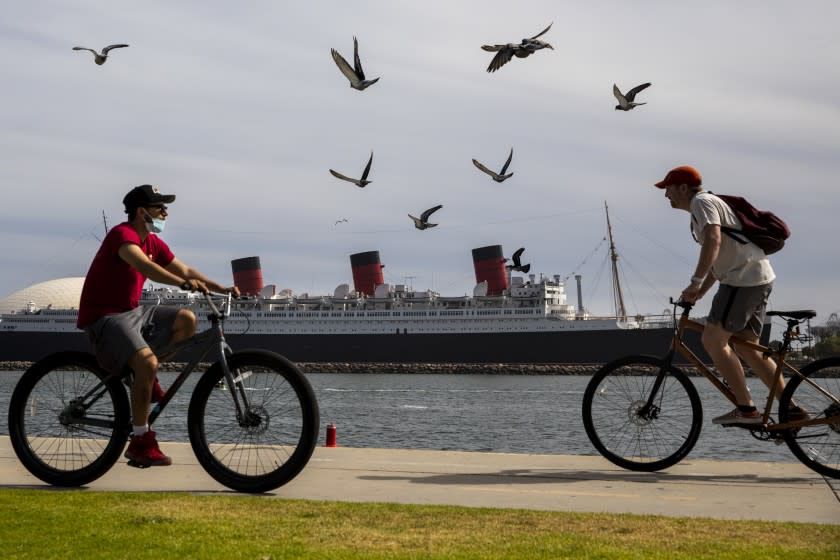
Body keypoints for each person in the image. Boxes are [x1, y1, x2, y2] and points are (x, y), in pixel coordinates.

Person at [77, 184, 240, 466]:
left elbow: (186, 270)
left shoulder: (154, 243)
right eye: (160, 207)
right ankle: (140, 440)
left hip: (132, 312)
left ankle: (144, 375)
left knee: (186, 320)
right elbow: (148, 268)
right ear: (142, 212)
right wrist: (183, 283)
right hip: (105, 317)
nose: (166, 212)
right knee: (147, 361)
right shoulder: (122, 235)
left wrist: (220, 288)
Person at [654, 165, 804, 425]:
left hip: (742, 280)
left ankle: (747, 410)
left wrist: (694, 281)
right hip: (755, 276)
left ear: (683, 188)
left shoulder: (702, 202)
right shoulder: (704, 206)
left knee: (713, 340)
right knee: (748, 348)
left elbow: (714, 241)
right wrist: (700, 291)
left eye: (668, 188)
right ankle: (791, 410)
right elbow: (719, 258)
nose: (666, 195)